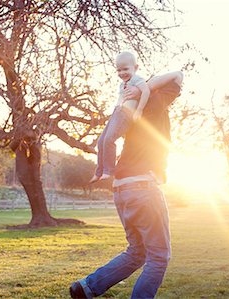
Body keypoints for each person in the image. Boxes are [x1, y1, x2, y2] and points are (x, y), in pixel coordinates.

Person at [70, 70, 183, 299]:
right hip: (143, 188)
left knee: (137, 252)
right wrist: (147, 86)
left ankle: (87, 287)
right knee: (159, 257)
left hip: (122, 189)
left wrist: (140, 89)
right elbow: (178, 75)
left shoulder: (130, 108)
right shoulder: (155, 99)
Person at [90, 51, 151, 183]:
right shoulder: (122, 83)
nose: (122, 73)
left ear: (135, 68)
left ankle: (109, 170)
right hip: (117, 112)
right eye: (119, 70)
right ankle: (99, 171)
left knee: (109, 139)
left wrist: (139, 110)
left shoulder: (137, 79)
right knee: (101, 141)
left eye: (125, 69)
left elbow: (146, 91)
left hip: (126, 113)